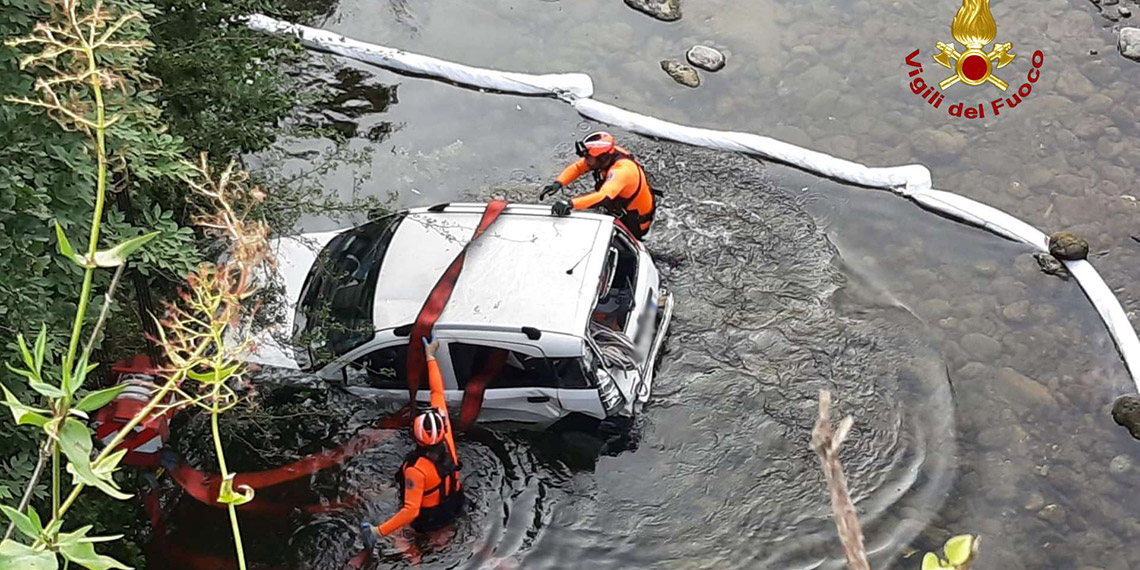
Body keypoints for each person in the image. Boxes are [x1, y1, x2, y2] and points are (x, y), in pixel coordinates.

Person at [363, 336, 463, 543]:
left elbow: (410, 511)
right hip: (456, 502)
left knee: (402, 538)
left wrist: (378, 532)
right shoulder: (448, 442)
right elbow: (438, 392)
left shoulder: (416, 470)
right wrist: (430, 357)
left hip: (430, 518)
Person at [539, 131, 658, 239]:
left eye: (588, 157)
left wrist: (570, 204)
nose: (585, 161)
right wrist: (558, 183)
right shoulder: (607, 154)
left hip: (635, 223)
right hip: (621, 207)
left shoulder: (622, 171)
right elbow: (578, 167)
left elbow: (604, 196)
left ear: (603, 158)